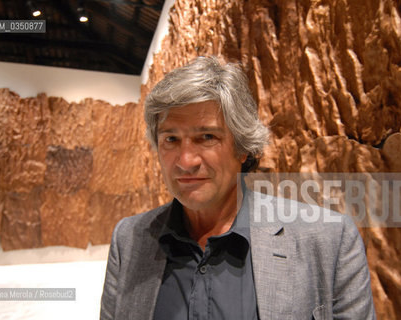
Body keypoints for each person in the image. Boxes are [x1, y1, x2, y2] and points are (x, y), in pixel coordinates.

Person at [100, 56, 376, 319]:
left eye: (206, 137)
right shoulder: (130, 240)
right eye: (171, 139)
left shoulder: (328, 240)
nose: (186, 161)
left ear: (242, 148)